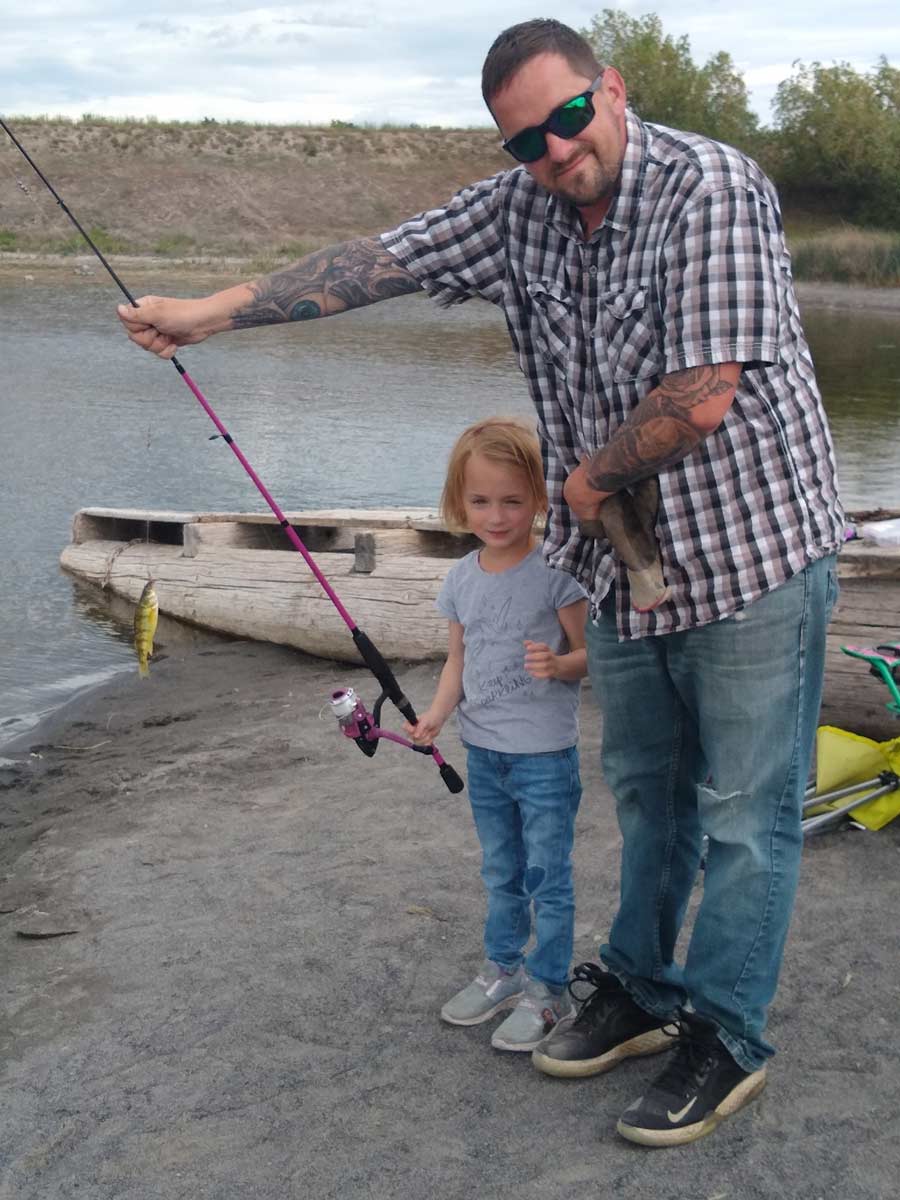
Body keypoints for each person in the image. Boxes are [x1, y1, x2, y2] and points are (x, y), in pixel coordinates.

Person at [118, 18, 844, 1146]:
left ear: (611, 89)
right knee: (649, 791)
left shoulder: (711, 187)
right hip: (622, 575)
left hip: (751, 553)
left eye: (567, 118)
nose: (555, 153)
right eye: (524, 142)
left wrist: (586, 482)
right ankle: (643, 990)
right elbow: (378, 262)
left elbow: (703, 393)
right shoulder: (519, 211)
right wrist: (207, 315)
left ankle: (728, 1032)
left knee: (746, 815)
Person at [403, 416, 588, 1051]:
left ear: (540, 498)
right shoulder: (460, 578)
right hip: (483, 752)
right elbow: (458, 660)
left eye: (513, 500)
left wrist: (562, 664)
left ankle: (549, 991)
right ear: (460, 501)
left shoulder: (558, 571)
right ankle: (503, 970)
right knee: (501, 869)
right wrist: (436, 715)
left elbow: (592, 655)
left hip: (543, 756)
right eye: (481, 501)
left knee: (547, 875)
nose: (497, 515)